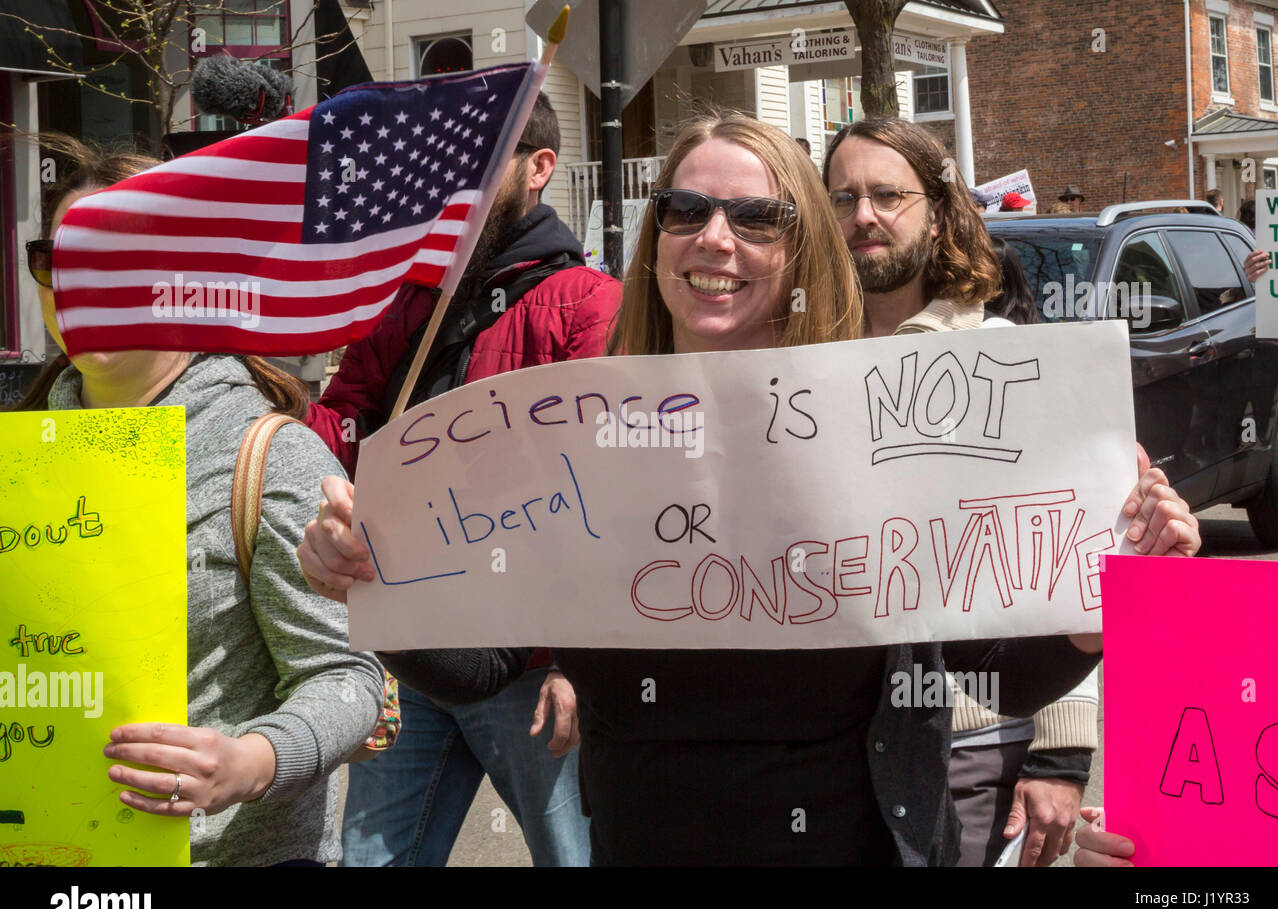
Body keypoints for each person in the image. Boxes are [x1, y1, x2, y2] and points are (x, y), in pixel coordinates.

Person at [300, 110, 1201, 866]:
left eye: (756, 217)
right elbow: (487, 666)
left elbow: (975, 675)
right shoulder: (578, 427)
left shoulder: (876, 422)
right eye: (685, 210)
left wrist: (1092, 615)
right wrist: (377, 585)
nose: (715, 238)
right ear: (657, 240)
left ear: (801, 244)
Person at [821, 115, 1195, 866]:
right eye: (843, 197)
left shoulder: (1013, 364)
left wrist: (1058, 755)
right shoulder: (796, 365)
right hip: (822, 751)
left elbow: (1063, 561)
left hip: (970, 741)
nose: (864, 215)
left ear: (938, 213)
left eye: (888, 195)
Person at [11, 135, 385, 866]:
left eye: (119, 257)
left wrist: (249, 762)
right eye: (61, 258)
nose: (85, 283)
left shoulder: (269, 456)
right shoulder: (19, 458)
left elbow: (347, 679)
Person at [299, 91, 619, 867]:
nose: (455, 180)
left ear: (540, 167)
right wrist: (295, 447)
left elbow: (604, 493)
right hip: (409, 645)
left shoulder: (592, 303)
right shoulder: (411, 301)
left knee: (573, 857)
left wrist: (583, 661)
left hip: (529, 661)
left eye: (481, 160)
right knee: (374, 859)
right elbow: (339, 423)